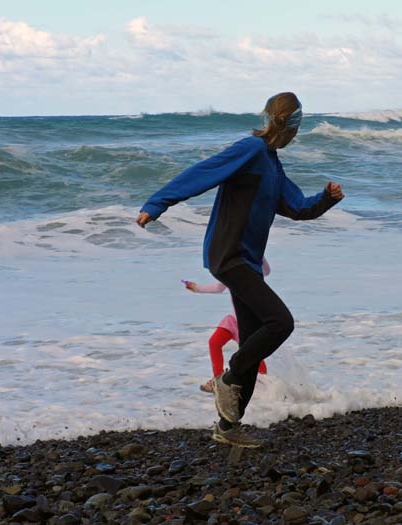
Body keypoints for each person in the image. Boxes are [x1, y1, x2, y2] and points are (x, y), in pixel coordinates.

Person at [136, 92, 344, 447]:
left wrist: (326, 199)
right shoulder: (250, 150)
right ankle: (228, 377)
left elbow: (296, 207)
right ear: (293, 126)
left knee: (252, 342)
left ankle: (228, 427)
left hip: (245, 261)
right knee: (280, 322)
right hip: (228, 255)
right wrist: (158, 203)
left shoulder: (272, 164)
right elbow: (203, 172)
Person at [183, 258, 271, 393]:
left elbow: (267, 271)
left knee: (254, 357)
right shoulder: (232, 266)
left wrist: (258, 253)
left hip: (249, 322)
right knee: (214, 342)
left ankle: (266, 386)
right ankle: (218, 380)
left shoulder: (253, 266)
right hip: (233, 320)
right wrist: (197, 288)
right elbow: (219, 287)